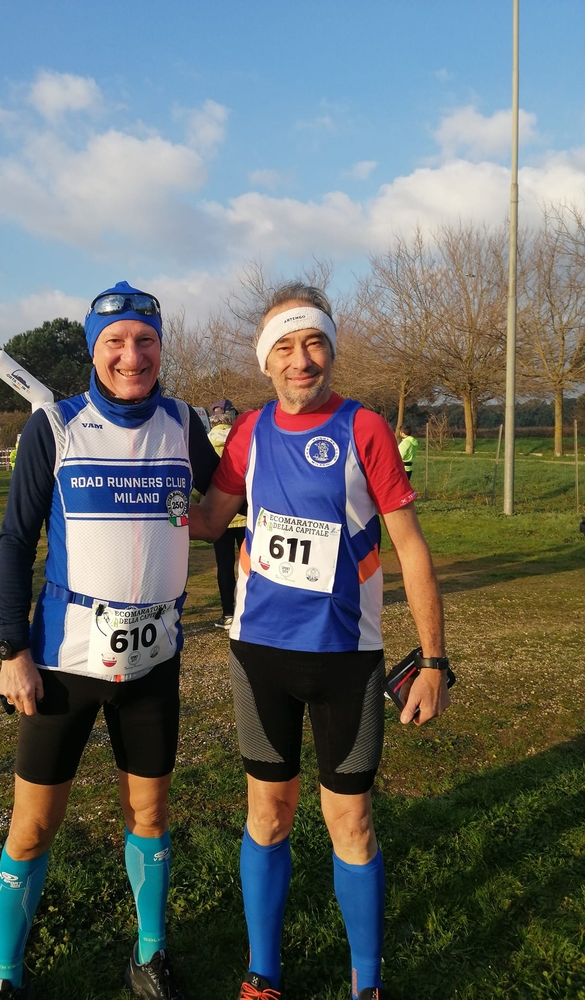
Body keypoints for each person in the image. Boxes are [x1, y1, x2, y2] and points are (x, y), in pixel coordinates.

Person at [190, 282, 450, 1000]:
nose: (301, 360)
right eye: (285, 347)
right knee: (267, 813)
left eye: (314, 344)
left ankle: (367, 983)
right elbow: (209, 518)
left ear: (329, 350)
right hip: (260, 659)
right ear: (265, 363)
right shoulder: (247, 434)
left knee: (352, 822)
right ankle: (261, 973)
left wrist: (434, 661)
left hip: (347, 662)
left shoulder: (363, 428)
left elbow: (411, 548)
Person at [0, 281, 219, 1000]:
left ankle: (150, 955)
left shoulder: (185, 425)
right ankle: (7, 972)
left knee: (148, 813)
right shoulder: (53, 426)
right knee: (33, 825)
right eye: (114, 342)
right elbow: (15, 539)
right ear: (94, 349)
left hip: (154, 661)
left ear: (160, 348)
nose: (132, 355)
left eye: (146, 341)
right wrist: (10, 651)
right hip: (63, 662)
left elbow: (222, 514)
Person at [207, 408, 246, 629]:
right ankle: (246, 609)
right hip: (244, 515)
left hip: (218, 516)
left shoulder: (205, 444)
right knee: (248, 565)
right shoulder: (241, 441)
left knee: (224, 565)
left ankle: (228, 613)